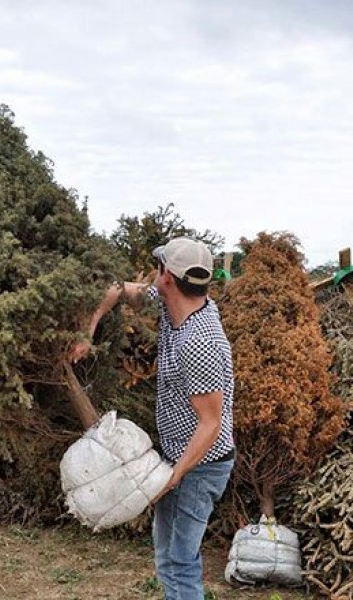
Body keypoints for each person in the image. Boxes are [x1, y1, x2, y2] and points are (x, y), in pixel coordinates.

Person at [69, 236, 235, 600]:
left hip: (198, 468)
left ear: (168, 279)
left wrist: (172, 478)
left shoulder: (199, 342)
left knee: (178, 563)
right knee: (169, 559)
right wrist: (87, 330)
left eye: (159, 267)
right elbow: (117, 288)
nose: (154, 274)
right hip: (180, 458)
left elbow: (212, 424)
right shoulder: (177, 303)